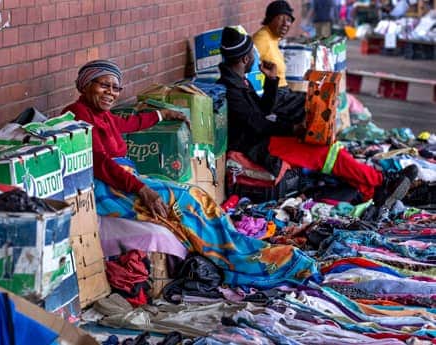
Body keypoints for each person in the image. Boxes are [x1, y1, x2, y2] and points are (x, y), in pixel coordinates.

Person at [62, 59, 320, 289]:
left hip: (124, 180)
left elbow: (128, 123)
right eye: (103, 85)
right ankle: (233, 258)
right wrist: (142, 189)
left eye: (116, 88)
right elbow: (101, 164)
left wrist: (163, 114)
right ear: (85, 85)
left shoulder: (101, 114)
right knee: (186, 201)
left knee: (196, 196)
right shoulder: (76, 116)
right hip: (110, 188)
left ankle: (236, 247)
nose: (111, 93)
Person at [218, 27, 418, 218]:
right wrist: (293, 129)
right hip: (257, 146)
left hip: (262, 139)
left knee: (329, 148)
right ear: (245, 58)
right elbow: (258, 124)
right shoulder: (232, 89)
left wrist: (271, 80)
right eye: (252, 53)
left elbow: (264, 110)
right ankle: (383, 182)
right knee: (325, 152)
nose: (255, 57)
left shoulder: (239, 82)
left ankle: (373, 190)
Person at [253, 0, 306, 125]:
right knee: (311, 102)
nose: (285, 24)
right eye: (280, 18)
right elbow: (249, 68)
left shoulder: (273, 38)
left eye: (288, 20)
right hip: (273, 95)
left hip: (282, 92)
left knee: (312, 98)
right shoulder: (261, 39)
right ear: (270, 18)